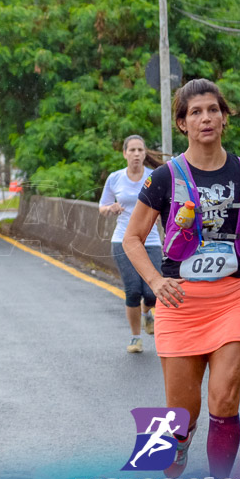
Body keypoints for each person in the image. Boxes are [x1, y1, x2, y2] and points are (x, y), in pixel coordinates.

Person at [123, 79, 240, 479]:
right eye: (196, 112)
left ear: (224, 117)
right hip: (179, 303)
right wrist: (154, 281)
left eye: (213, 110)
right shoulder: (165, 177)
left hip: (233, 297)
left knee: (224, 399)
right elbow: (133, 238)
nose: (206, 118)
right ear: (182, 123)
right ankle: (175, 452)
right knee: (181, 415)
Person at [99, 135, 163, 354]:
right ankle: (135, 338)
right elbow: (102, 206)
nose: (136, 154)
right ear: (125, 153)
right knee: (133, 291)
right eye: (132, 150)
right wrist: (111, 208)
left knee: (153, 292)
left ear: (145, 154)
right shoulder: (115, 178)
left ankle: (147, 314)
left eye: (140, 150)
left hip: (151, 240)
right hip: (123, 241)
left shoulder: (155, 177)